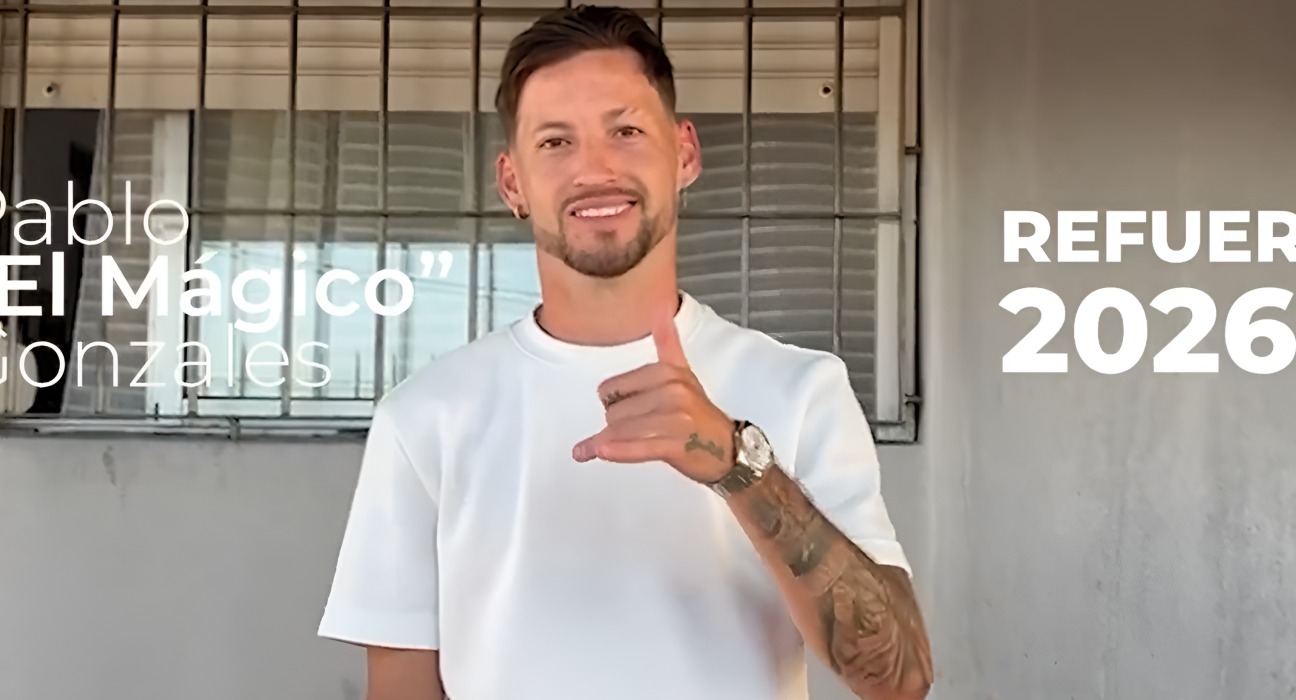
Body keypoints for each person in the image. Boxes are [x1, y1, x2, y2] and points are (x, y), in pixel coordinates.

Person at [318, 6, 932, 700]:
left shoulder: (801, 389)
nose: (596, 168)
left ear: (685, 154)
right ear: (513, 183)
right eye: (556, 141)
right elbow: (400, 686)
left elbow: (900, 678)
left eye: (626, 131)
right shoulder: (425, 417)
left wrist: (740, 466)